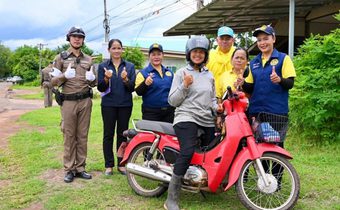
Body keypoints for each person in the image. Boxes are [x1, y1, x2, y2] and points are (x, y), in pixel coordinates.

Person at [165, 36, 223, 210]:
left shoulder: (209, 75)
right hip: (186, 117)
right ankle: (171, 199)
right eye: (195, 52)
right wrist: (184, 85)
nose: (198, 55)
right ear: (189, 54)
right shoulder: (181, 73)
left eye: (201, 52)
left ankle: (201, 182)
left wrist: (217, 108)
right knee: (188, 150)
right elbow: (172, 101)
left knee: (211, 151)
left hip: (206, 119)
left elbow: (211, 98)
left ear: (205, 55)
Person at [242, 25, 296, 188]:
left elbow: (290, 83)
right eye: (259, 40)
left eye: (266, 38)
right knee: (261, 148)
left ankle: (277, 182)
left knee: (277, 147)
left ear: (273, 39)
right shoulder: (254, 63)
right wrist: (242, 84)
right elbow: (250, 87)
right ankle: (265, 180)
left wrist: (279, 80)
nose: (262, 42)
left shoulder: (283, 58)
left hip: (276, 112)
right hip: (257, 112)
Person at [50, 26, 97, 183]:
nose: (77, 39)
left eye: (80, 37)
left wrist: (92, 79)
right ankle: (69, 169)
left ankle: (80, 168)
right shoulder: (60, 58)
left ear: (83, 39)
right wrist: (64, 76)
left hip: (85, 101)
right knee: (69, 136)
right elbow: (53, 82)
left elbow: (94, 83)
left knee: (82, 135)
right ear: (69, 38)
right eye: (74, 36)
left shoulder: (88, 59)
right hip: (68, 101)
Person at [97, 39, 136, 176]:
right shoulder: (103, 66)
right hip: (108, 104)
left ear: (122, 50)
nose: (117, 51)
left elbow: (132, 88)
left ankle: (121, 163)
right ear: (109, 50)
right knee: (108, 134)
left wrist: (125, 79)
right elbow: (100, 87)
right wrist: (106, 78)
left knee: (122, 134)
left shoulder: (130, 66)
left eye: (119, 48)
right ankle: (108, 165)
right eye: (114, 48)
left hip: (125, 104)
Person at [135, 43, 174, 123]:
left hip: (169, 112)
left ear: (163, 55)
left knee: (168, 135)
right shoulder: (142, 73)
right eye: (153, 54)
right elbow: (138, 92)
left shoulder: (170, 72)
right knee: (152, 135)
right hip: (151, 112)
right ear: (149, 56)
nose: (156, 57)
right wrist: (145, 84)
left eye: (159, 54)